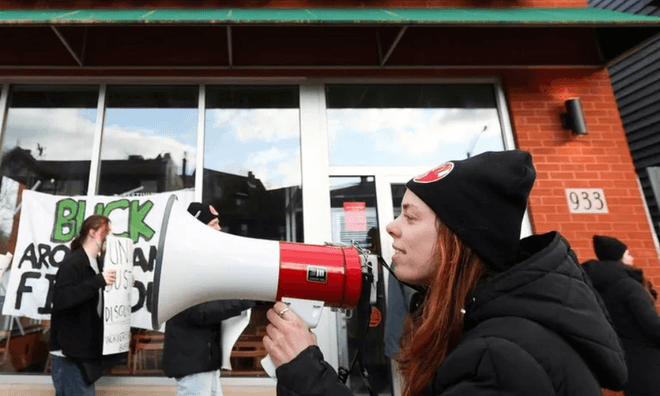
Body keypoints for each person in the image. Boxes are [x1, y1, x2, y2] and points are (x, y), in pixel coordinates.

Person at [263, 150, 628, 396]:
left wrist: (307, 375)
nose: (391, 227)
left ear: (457, 239)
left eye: (409, 215)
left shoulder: (497, 359)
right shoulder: (489, 328)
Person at [163, 202, 255, 396]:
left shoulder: (197, 258)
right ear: (197, 226)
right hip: (193, 362)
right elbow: (197, 311)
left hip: (203, 360)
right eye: (213, 223)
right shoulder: (182, 260)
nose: (219, 228)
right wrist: (241, 300)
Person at [582, 235, 660, 396]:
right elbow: (652, 326)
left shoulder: (596, 289)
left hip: (626, 363)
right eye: (628, 254)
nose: (632, 259)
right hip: (650, 362)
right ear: (620, 259)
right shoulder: (630, 286)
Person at [50, 214, 117, 396]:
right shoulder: (72, 264)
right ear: (92, 232)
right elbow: (63, 299)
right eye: (106, 232)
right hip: (69, 355)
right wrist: (97, 281)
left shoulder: (98, 263)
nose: (109, 237)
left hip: (83, 351)